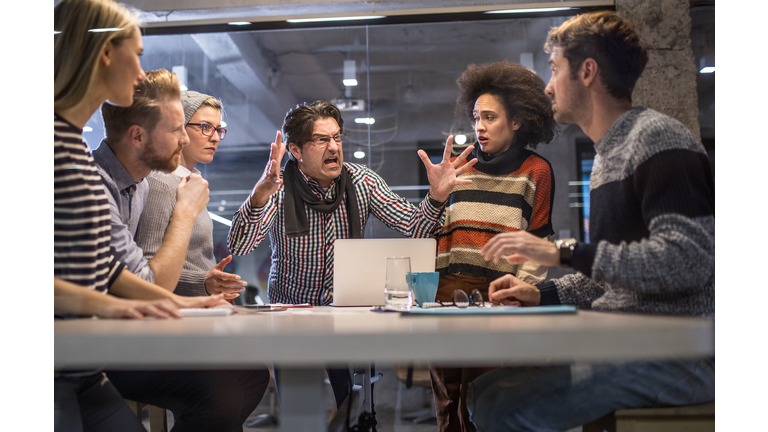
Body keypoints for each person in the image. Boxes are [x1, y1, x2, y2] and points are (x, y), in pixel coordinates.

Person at [467, 11, 715, 431]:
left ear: (586, 71)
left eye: (554, 69)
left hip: (677, 355)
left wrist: (563, 252)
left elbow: (686, 261)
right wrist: (538, 293)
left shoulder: (658, 138)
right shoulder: (607, 156)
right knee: (484, 390)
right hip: (626, 344)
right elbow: (611, 275)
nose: (547, 86)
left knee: (500, 409)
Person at [227, 100, 477, 410]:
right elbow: (240, 245)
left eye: (337, 137)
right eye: (321, 139)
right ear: (296, 150)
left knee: (355, 409)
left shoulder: (361, 182)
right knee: (298, 411)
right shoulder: (277, 188)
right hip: (291, 315)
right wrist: (259, 194)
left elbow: (415, 227)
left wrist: (437, 197)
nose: (333, 147)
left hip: (344, 315)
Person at [54, 1, 224, 431]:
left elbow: (105, 268)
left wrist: (181, 302)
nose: (140, 72)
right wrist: (107, 307)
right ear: (107, 53)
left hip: (82, 370)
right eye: (138, 54)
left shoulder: (71, 143)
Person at [94, 70, 270, 432]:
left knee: (248, 377)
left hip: (127, 328)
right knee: (221, 396)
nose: (186, 138)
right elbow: (145, 276)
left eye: (217, 129)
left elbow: (122, 276)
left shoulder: (138, 183)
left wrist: (195, 295)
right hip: (104, 344)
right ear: (139, 136)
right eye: (180, 129)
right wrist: (195, 285)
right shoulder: (131, 184)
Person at [429, 61, 557, 432]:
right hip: (446, 295)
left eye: (489, 117)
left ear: (516, 121)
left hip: (499, 297)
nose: (479, 126)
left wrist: (522, 296)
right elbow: (434, 233)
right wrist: (435, 197)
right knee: (447, 404)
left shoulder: (537, 172)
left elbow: (537, 243)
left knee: (486, 401)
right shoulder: (458, 171)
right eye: (475, 117)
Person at [134, 90, 245, 299]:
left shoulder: (190, 181)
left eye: (219, 129)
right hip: (179, 316)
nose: (215, 137)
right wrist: (202, 282)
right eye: (205, 127)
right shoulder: (160, 181)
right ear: (179, 129)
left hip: (201, 310)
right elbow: (147, 269)